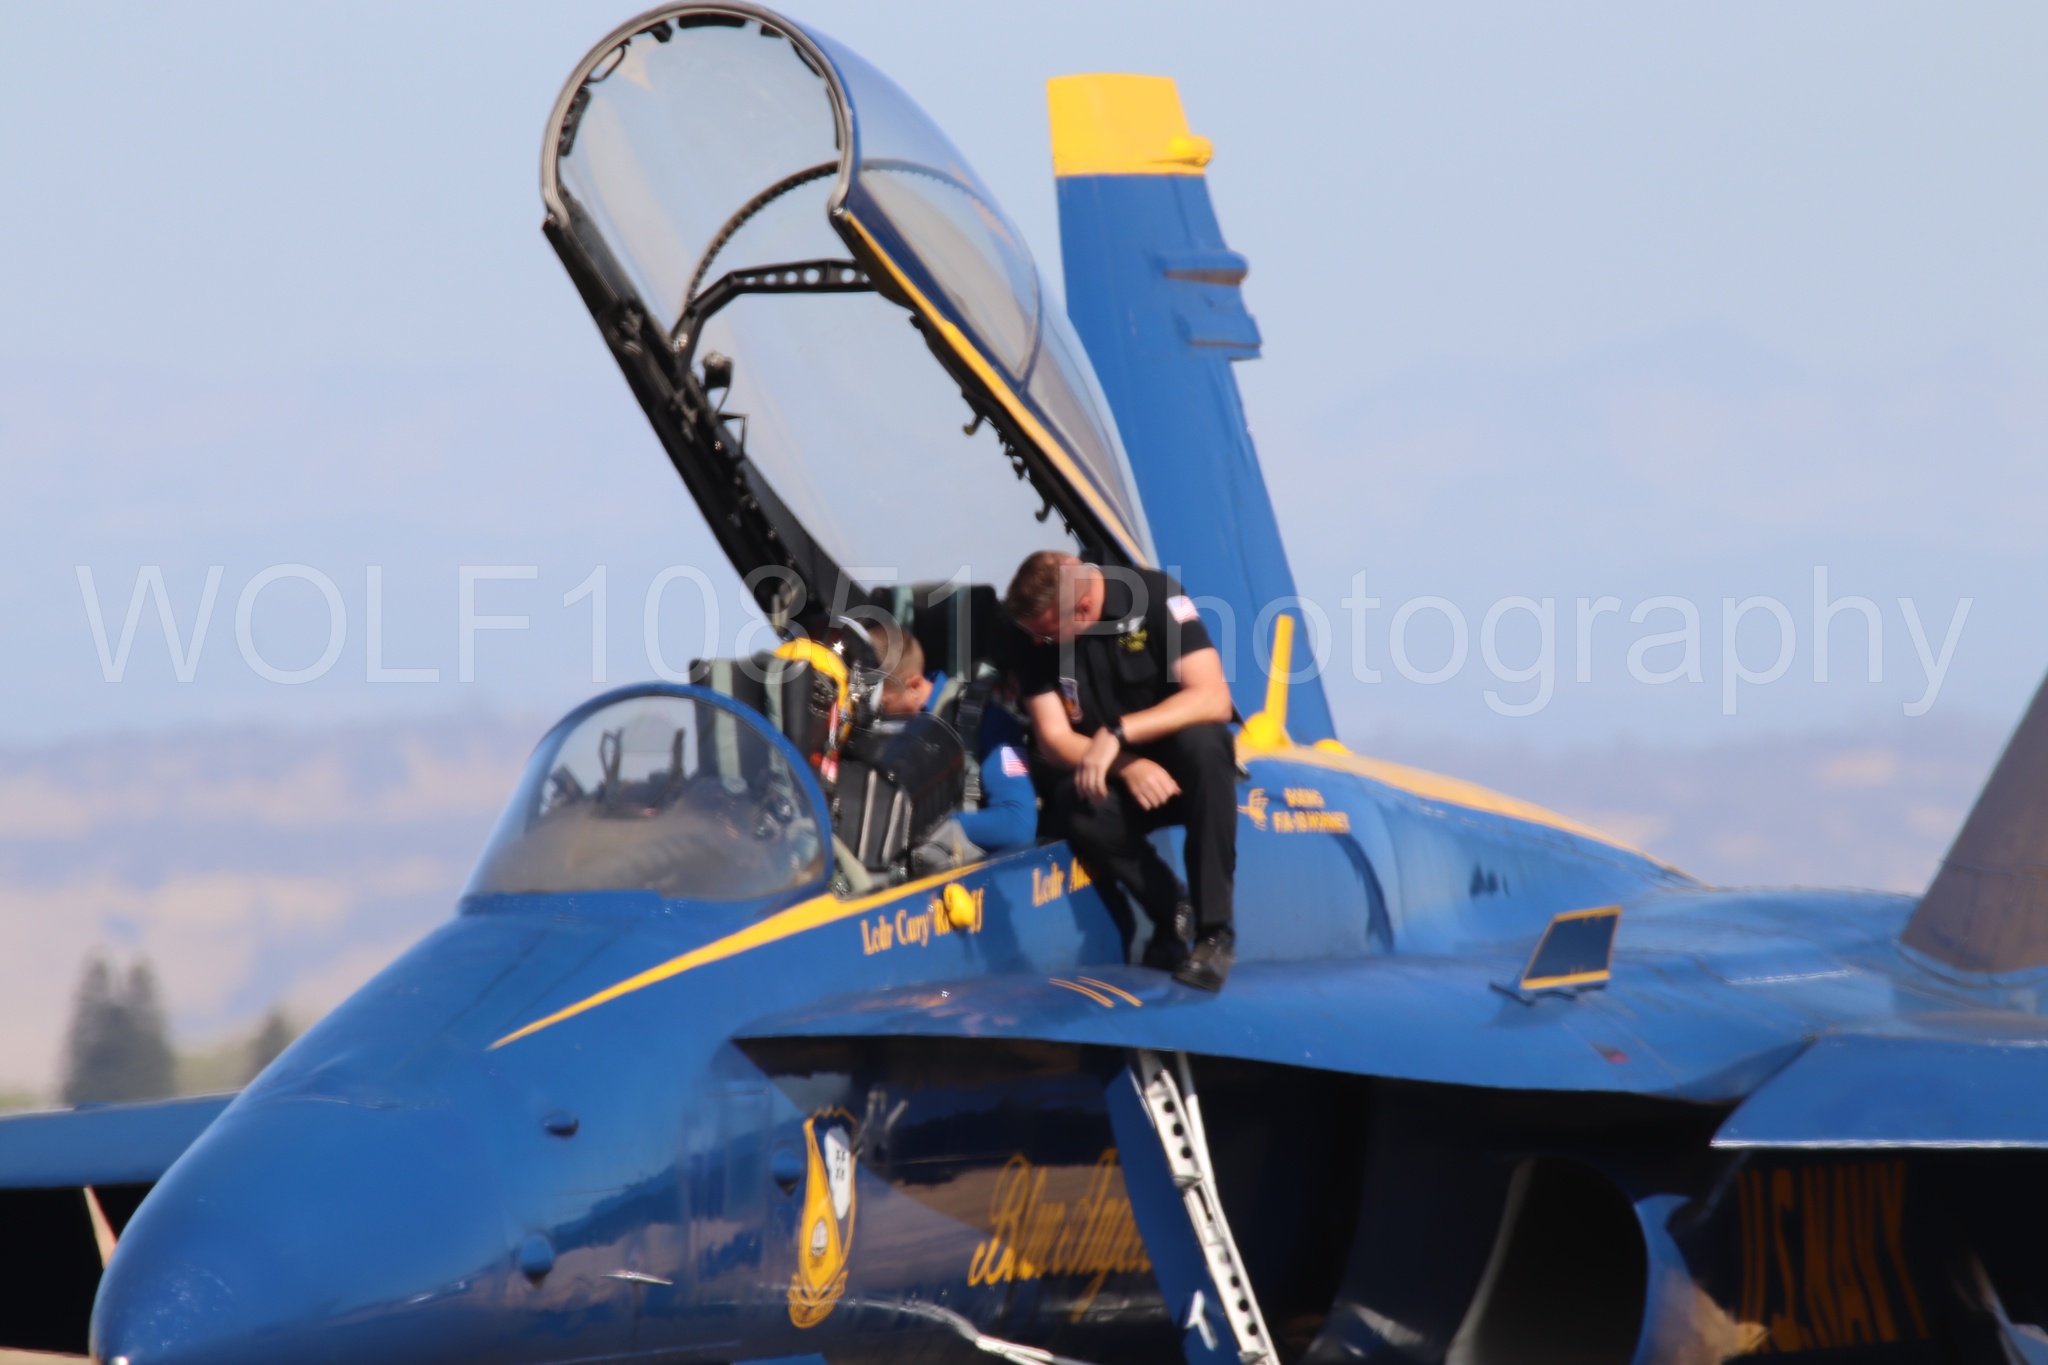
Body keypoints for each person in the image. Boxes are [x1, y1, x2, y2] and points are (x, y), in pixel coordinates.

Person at [1004, 551, 1239, 991]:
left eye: (1048, 635)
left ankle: (1214, 934)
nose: (1038, 645)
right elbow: (1054, 739)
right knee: (1074, 800)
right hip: (1114, 773)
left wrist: (1118, 733)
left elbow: (1213, 699)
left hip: (1180, 769)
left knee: (1207, 744)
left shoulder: (1153, 596)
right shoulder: (1031, 632)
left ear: (1085, 609)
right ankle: (1171, 909)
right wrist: (1126, 764)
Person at [864, 618, 1037, 867]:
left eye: (882, 704)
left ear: (914, 686)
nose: (873, 715)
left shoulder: (985, 721)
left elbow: (1018, 824)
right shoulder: (870, 725)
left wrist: (913, 824)